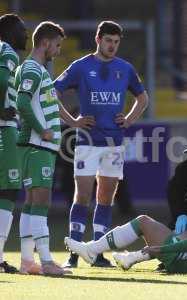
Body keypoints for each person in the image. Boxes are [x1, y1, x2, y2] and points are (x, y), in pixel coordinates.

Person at [55, 20, 148, 268]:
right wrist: (72, 121)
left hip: (114, 143)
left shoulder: (125, 68)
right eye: (108, 41)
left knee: (105, 197)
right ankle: (73, 253)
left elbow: (143, 98)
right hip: (86, 141)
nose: (112, 46)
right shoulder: (81, 66)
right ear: (98, 40)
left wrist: (129, 119)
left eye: (116, 42)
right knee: (82, 195)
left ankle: (97, 252)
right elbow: (53, 92)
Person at [15, 21, 71, 275]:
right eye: (57, 45)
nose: (58, 51)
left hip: (39, 147)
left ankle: (28, 260)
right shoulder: (32, 70)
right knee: (41, 202)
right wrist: (42, 129)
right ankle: (47, 261)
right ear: (46, 43)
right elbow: (22, 102)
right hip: (38, 145)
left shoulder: (37, 69)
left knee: (30, 203)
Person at [0, 14, 27, 273]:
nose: (26, 34)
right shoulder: (7, 51)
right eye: (22, 29)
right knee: (8, 189)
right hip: (3, 128)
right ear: (8, 31)